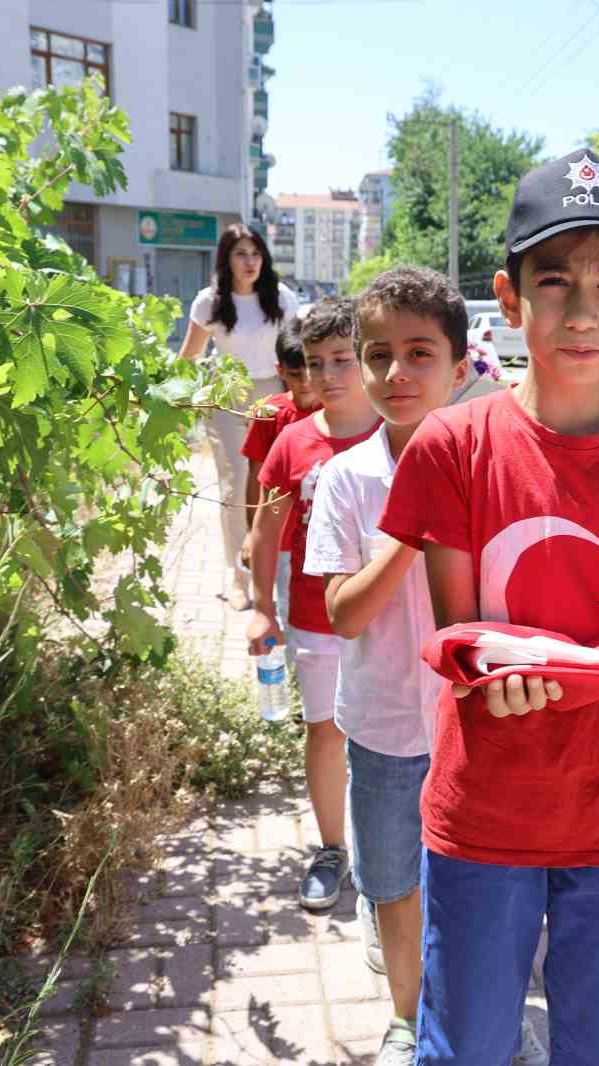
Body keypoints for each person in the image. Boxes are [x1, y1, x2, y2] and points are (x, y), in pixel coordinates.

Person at [379, 148, 599, 1065]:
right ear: (509, 297)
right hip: (483, 815)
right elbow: (458, 640)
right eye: (554, 282)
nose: (582, 312)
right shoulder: (451, 448)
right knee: (464, 1047)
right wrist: (479, 678)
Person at [302, 266, 474, 1066]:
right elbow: (343, 612)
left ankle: (479, 1015)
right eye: (378, 356)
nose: (396, 374)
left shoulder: (493, 469)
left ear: (461, 367)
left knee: (477, 887)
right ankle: (408, 1015)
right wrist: (411, 527)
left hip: (476, 725)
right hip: (381, 728)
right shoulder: (344, 478)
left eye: (419, 354)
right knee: (393, 884)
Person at [246, 297, 379, 912]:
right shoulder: (294, 442)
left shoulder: (399, 431)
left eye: (342, 360)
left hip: (388, 624)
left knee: (394, 738)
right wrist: (260, 608)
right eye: (316, 362)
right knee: (324, 731)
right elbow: (266, 531)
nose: (328, 375)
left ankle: (401, 853)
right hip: (313, 615)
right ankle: (332, 848)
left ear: (367, 360)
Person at [177, 223, 299, 610]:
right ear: (226, 260)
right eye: (241, 254)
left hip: (273, 397)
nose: (250, 262)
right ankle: (238, 575)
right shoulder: (209, 303)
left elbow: (296, 352)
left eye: (256, 254)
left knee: (273, 484)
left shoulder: (282, 299)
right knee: (235, 483)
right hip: (226, 397)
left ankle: (271, 564)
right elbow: (189, 357)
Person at [241, 320, 319, 621]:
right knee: (290, 612)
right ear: (280, 370)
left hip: (327, 537)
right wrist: (252, 533)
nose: (305, 383)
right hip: (283, 539)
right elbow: (254, 475)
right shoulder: (269, 414)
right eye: (296, 375)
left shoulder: (340, 412)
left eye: (311, 372)